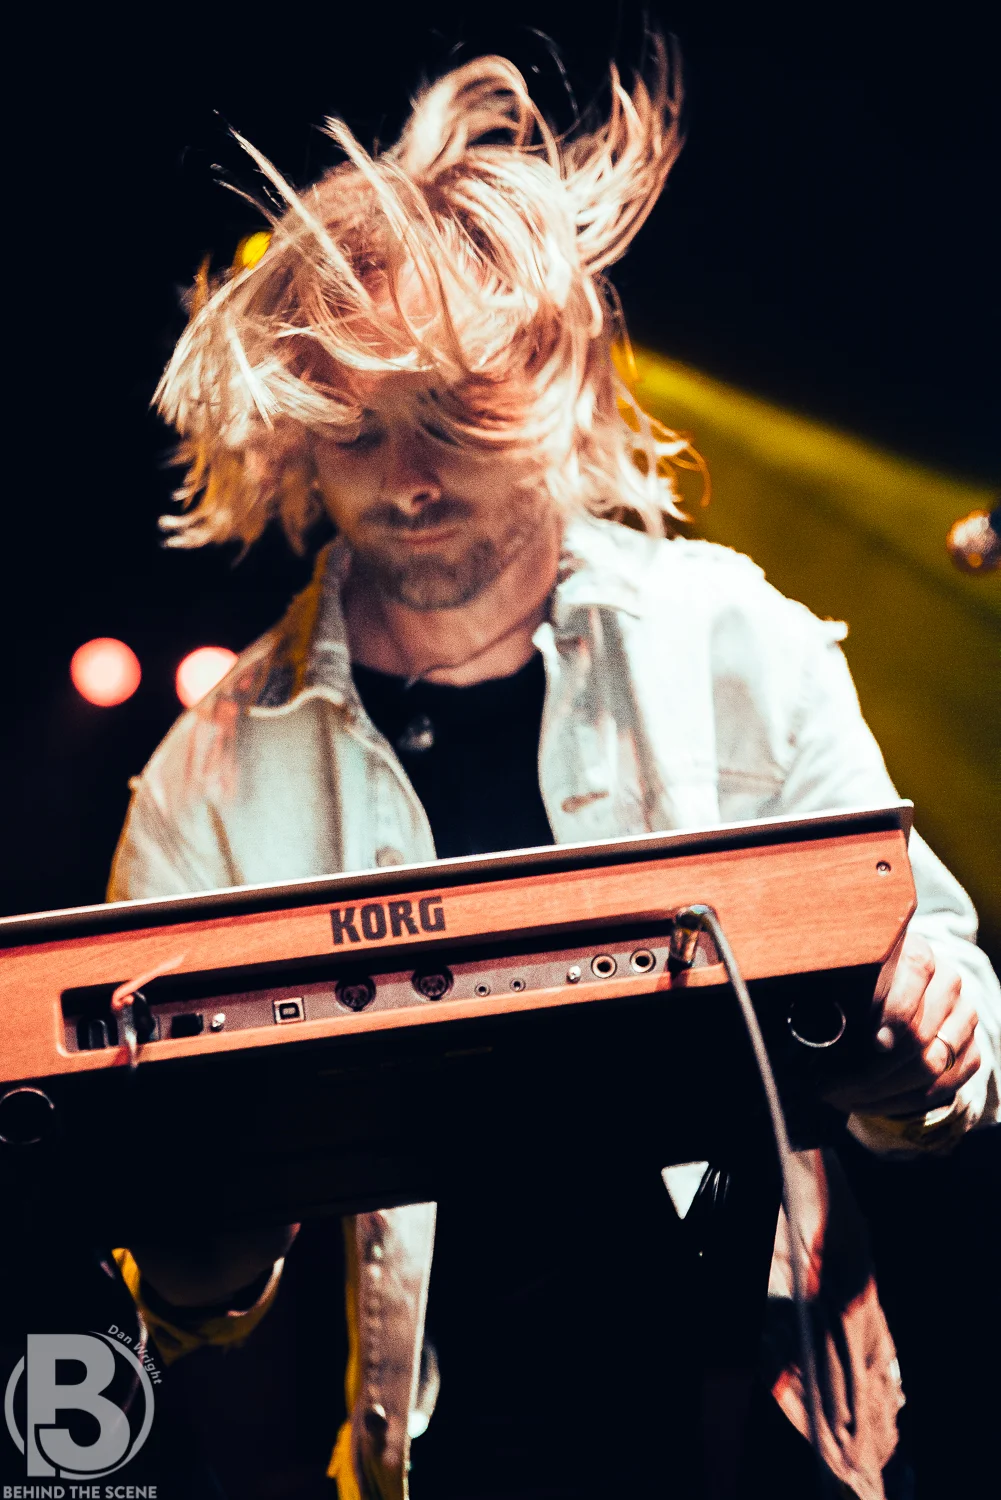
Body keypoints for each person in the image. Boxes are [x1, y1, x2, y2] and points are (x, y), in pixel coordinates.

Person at [108, 39, 1000, 1500]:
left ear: (559, 380)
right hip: (453, 1461)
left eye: (452, 417)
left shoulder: (735, 641)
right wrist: (201, 1246)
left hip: (768, 1433)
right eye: (356, 430)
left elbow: (944, 985)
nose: (408, 477)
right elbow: (182, 1286)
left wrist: (932, 1044)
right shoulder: (207, 772)